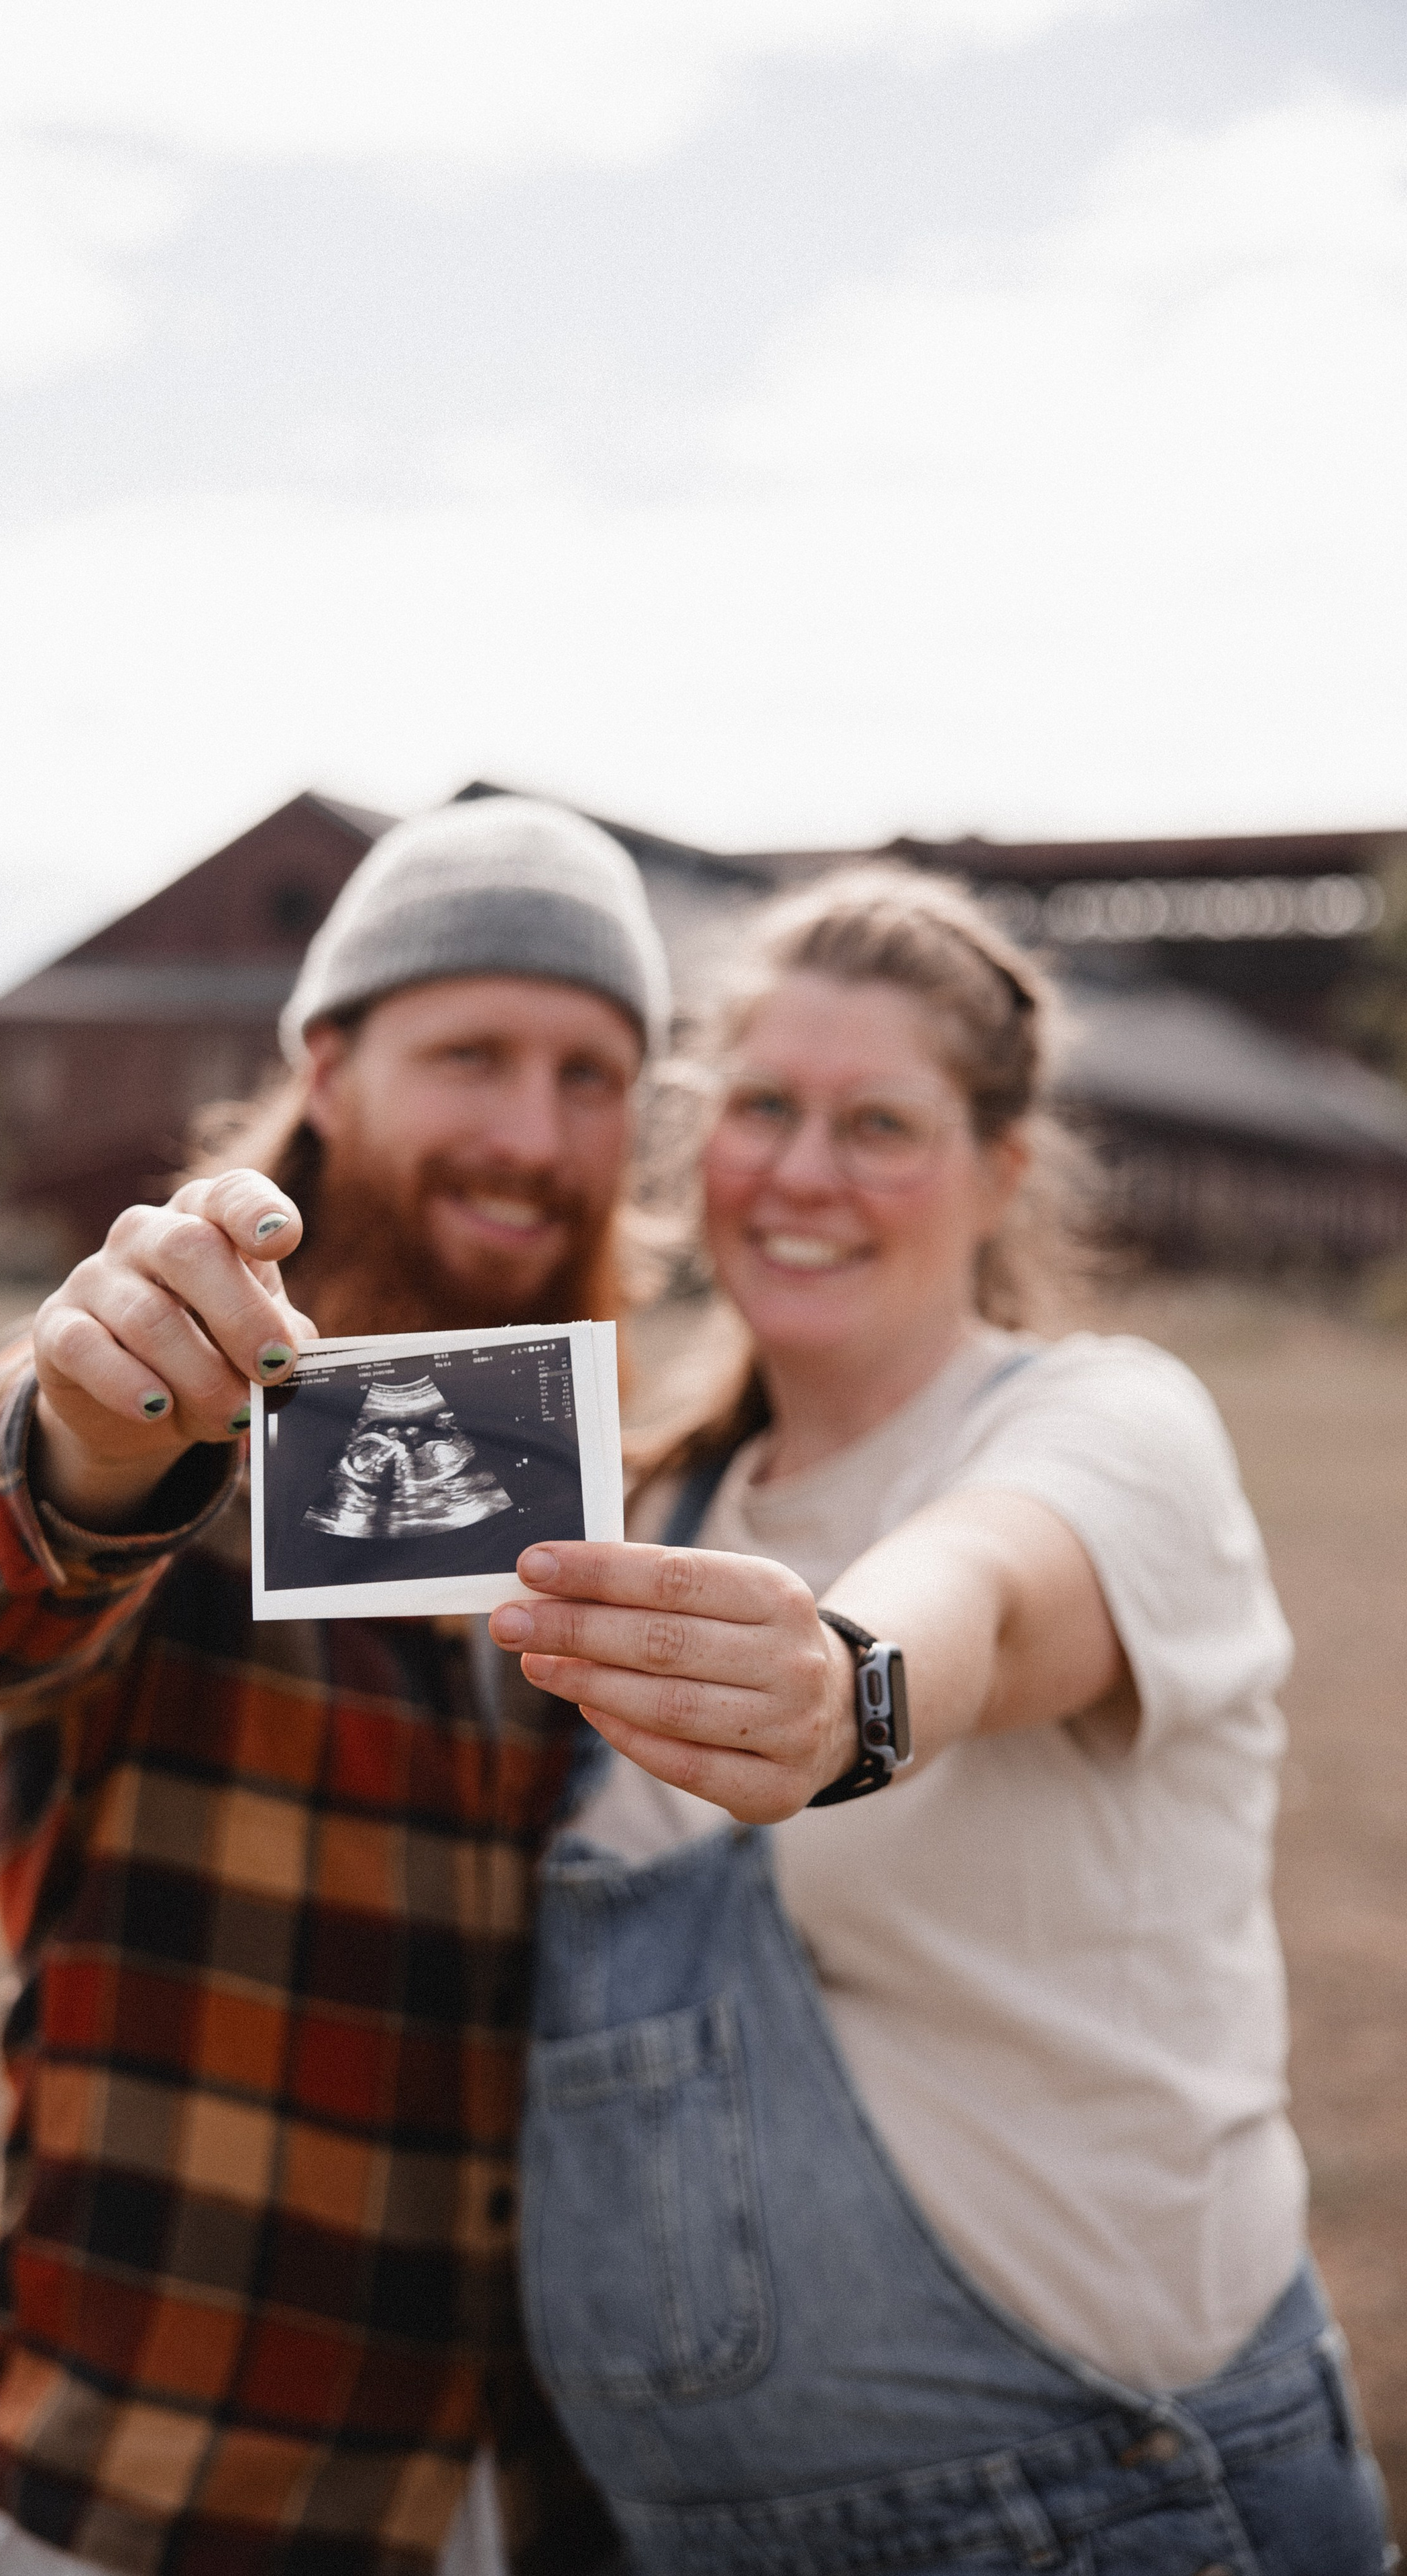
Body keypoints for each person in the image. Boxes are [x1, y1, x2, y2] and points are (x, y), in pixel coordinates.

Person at [486, 865, 1396, 2575]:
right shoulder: (647, 1511)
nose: (802, 1173)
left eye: (879, 1125)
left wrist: (847, 1687)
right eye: (763, 1107)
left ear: (1000, 1171)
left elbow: (981, 1586)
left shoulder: (1108, 1424)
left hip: (1107, 2513)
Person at [0, 796, 669, 2576]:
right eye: (472, 1056)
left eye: (590, 1076)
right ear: (329, 1065)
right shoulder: (180, 1384)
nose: (533, 1134)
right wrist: (94, 1439)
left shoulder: (623, 1466)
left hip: (530, 2493)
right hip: (173, 2480)